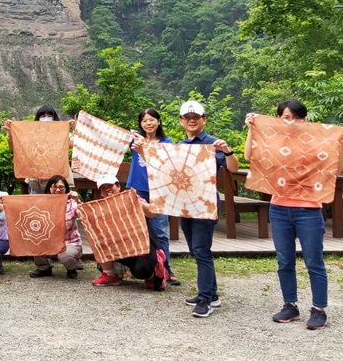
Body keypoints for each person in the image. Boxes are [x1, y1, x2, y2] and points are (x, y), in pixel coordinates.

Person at [245, 100, 343, 330]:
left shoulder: (314, 144)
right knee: (284, 261)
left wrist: (342, 144)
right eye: (284, 117)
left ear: (304, 120)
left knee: (314, 261)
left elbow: (336, 169)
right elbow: (249, 156)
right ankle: (290, 305)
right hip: (279, 209)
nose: (290, 122)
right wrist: (252, 130)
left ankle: (319, 309)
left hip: (309, 211)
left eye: (295, 117)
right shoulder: (274, 144)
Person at [177, 100, 238, 317]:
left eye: (196, 117)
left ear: (204, 120)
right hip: (185, 205)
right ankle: (212, 294)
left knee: (201, 250)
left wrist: (227, 151)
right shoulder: (179, 146)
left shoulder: (214, 144)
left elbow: (233, 168)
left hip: (205, 205)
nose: (191, 120)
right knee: (195, 249)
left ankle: (204, 300)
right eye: (187, 117)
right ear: (181, 121)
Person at [126, 108, 179, 285]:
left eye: (151, 120)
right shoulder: (134, 141)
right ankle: (135, 267)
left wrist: (144, 149)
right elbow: (108, 138)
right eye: (144, 121)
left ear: (158, 121)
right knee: (135, 230)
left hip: (160, 190)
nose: (148, 123)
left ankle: (166, 269)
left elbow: (165, 166)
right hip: (137, 190)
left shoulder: (167, 142)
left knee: (160, 231)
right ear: (140, 124)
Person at [90, 174, 167, 290]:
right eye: (103, 188)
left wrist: (136, 200)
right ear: (101, 193)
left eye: (110, 186)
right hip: (120, 246)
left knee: (142, 270)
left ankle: (154, 274)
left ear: (118, 187)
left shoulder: (131, 198)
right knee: (99, 240)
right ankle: (110, 275)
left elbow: (152, 213)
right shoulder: (101, 208)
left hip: (142, 246)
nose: (107, 190)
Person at [29, 175, 83, 279]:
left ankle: (72, 268)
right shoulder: (42, 203)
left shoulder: (72, 203)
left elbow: (85, 215)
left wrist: (77, 200)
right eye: (54, 187)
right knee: (35, 241)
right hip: (49, 240)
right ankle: (44, 268)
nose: (58, 190)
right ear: (49, 188)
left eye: (61, 187)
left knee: (65, 256)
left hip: (70, 242)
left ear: (66, 189)